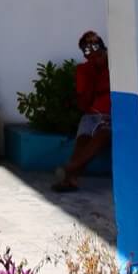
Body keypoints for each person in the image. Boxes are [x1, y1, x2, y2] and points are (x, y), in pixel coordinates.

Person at [52, 30, 111, 192]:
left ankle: (70, 169)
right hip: (91, 115)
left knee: (104, 133)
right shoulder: (84, 70)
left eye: (99, 56)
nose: (96, 60)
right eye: (91, 58)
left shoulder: (116, 66)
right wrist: (91, 78)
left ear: (104, 50)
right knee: (83, 140)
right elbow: (84, 104)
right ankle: (71, 178)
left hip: (111, 116)